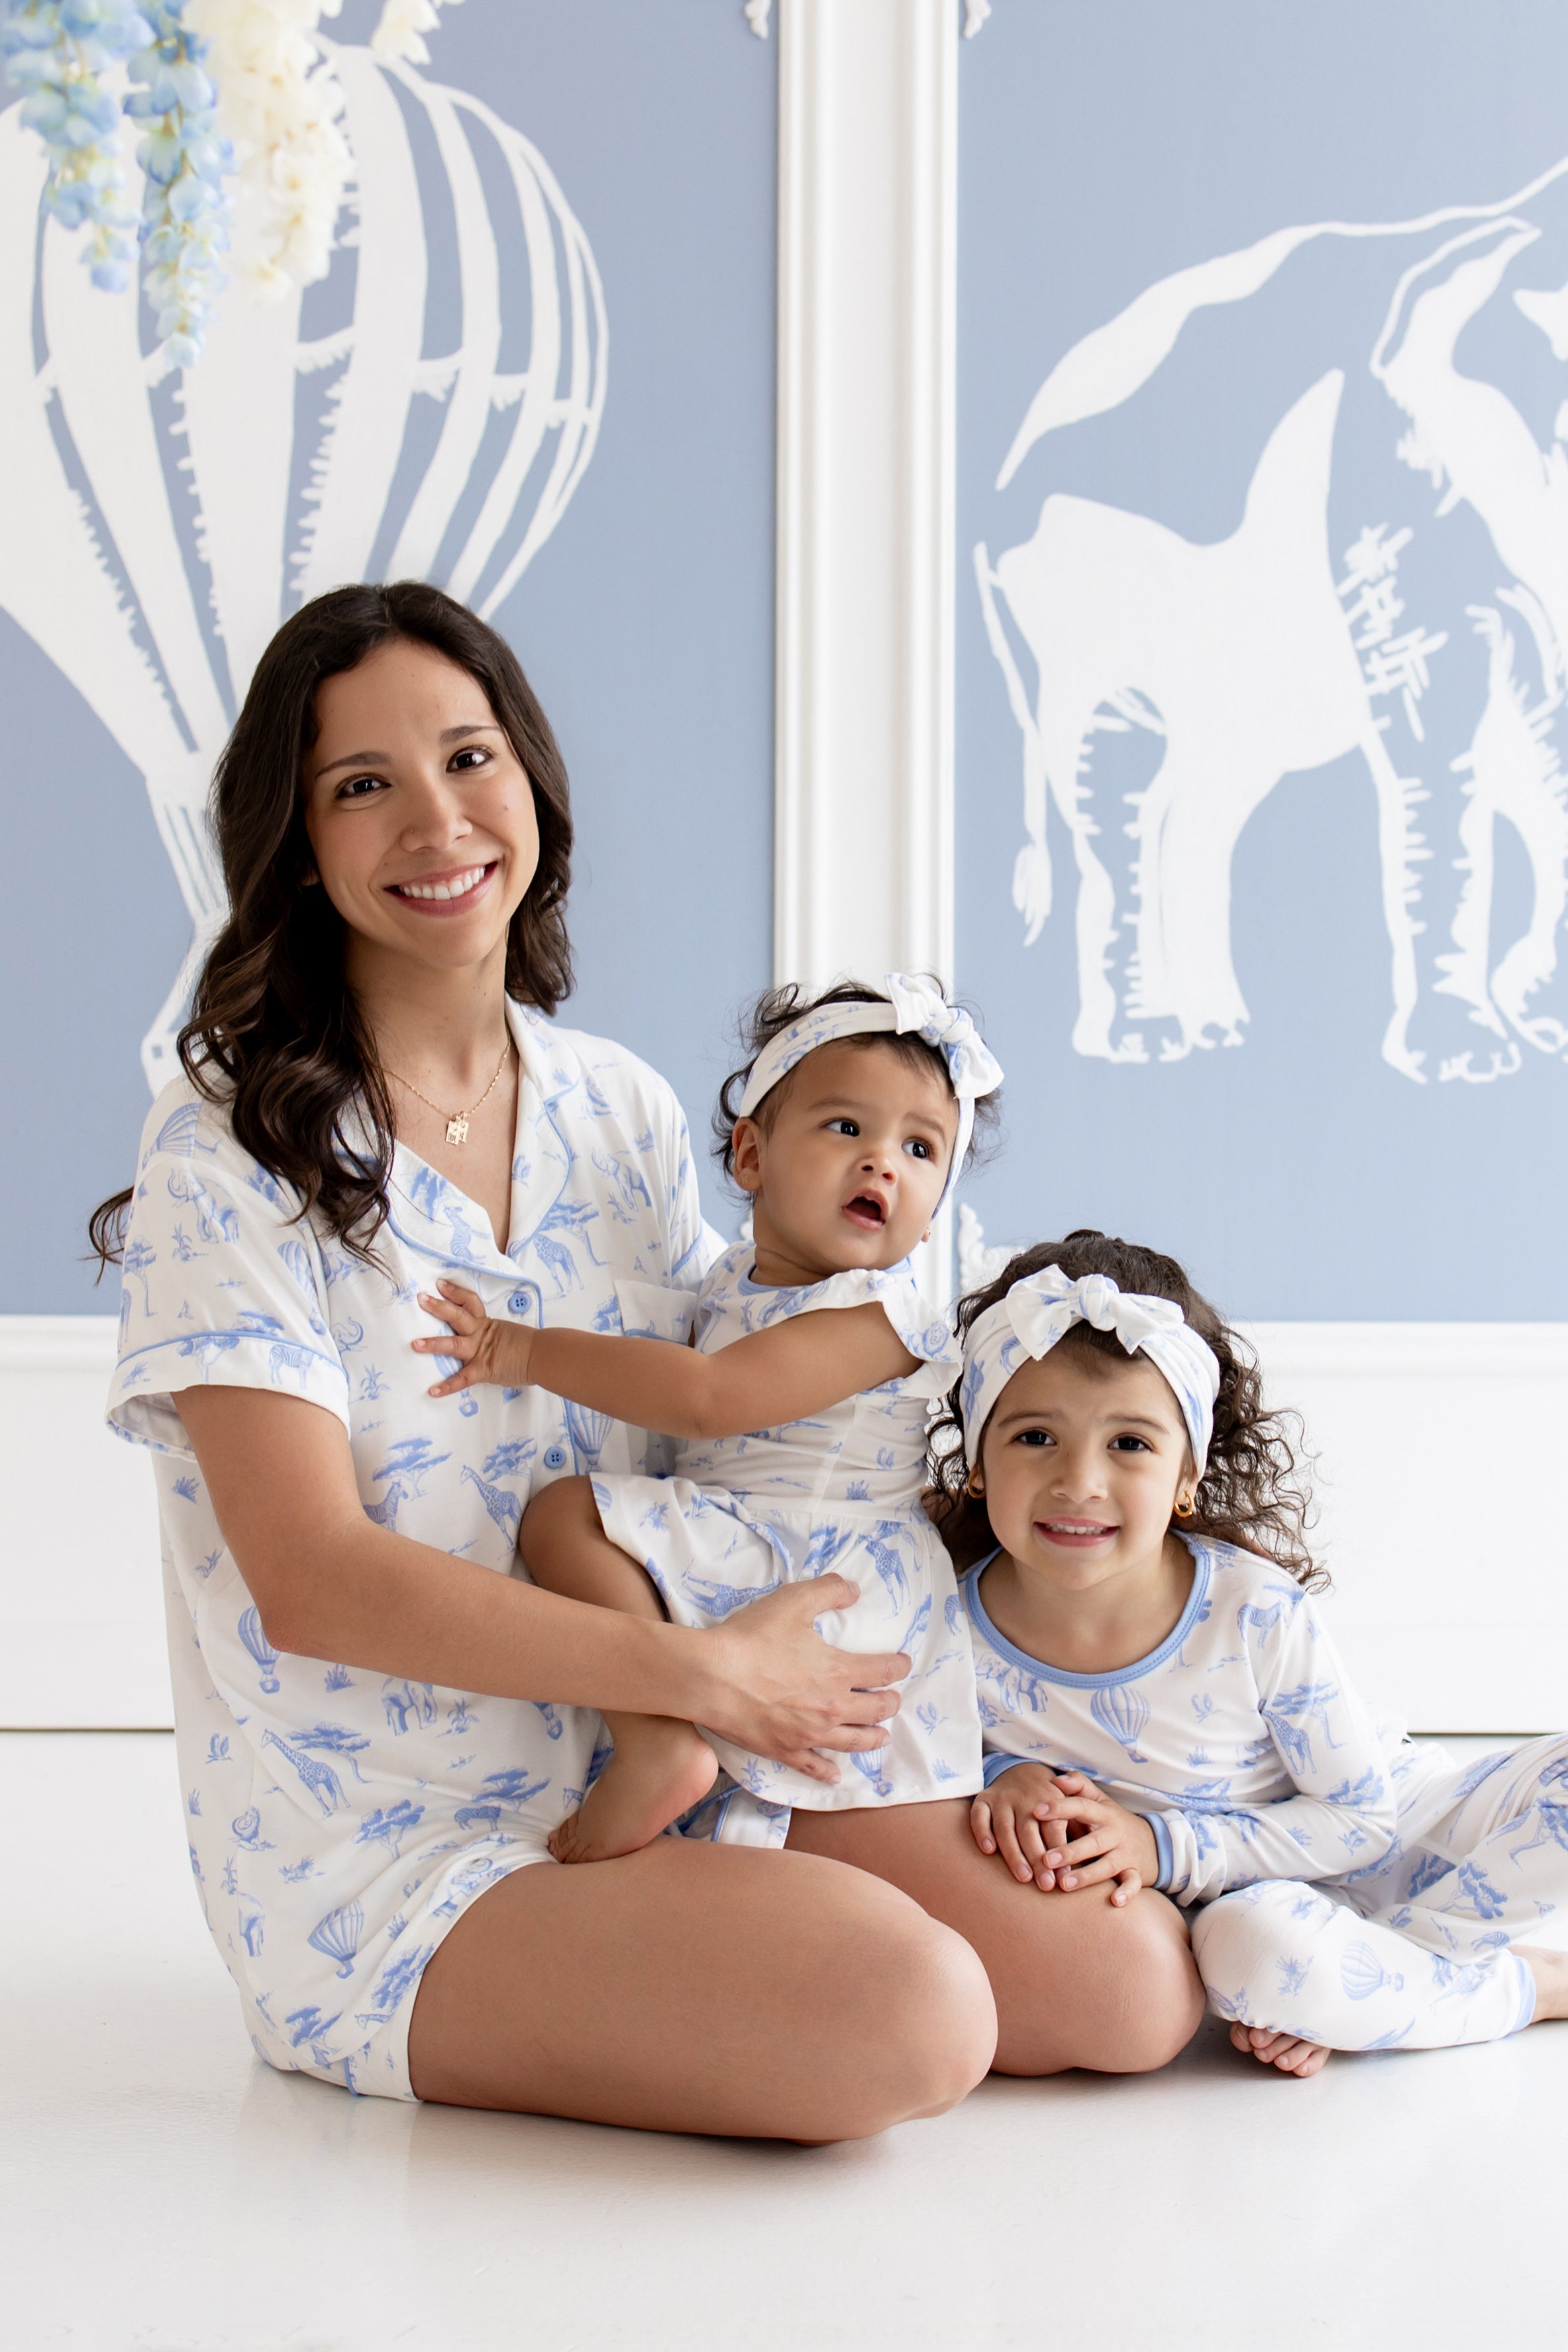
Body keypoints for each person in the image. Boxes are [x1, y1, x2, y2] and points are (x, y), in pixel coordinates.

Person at [94, 582, 1200, 2133]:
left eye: (469, 760)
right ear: (297, 837)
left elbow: (729, 1416)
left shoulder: (613, 1107)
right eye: (363, 786)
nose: (435, 820)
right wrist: (699, 1676)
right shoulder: (230, 1154)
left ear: (533, 784)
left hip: (701, 1756)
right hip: (396, 1849)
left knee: (1136, 1987)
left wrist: (972, 1731)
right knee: (913, 2007)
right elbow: (311, 1579)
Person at [933, 1228, 1568, 2076]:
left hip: (1388, 1833)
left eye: (1130, 1443)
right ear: (977, 1458)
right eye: (1034, 1437)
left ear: (1187, 1475)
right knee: (1255, 1956)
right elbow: (915, 1790)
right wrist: (994, 1781)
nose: (1079, 1480)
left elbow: (1361, 1822)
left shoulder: (1249, 1609)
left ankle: (1400, 1975)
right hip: (1262, 1915)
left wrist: (1164, 1847)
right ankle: (1510, 1988)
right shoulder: (946, 1632)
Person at [409, 974, 1002, 1863]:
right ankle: (664, 1750)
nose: (882, 1160)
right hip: (747, 1531)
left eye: (920, 1149)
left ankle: (655, 1744)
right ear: (750, 1157)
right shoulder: (726, 1280)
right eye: (846, 1127)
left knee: (563, 1514)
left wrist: (522, 1351)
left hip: (818, 1561)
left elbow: (706, 1399)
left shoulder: (883, 1315)